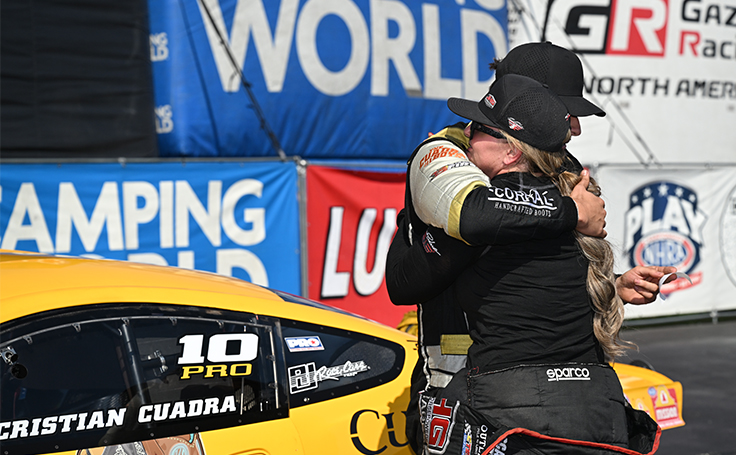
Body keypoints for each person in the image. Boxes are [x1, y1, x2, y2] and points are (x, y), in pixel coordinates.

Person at [385, 42, 674, 454]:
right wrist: (571, 212)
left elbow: (532, 265)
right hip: (465, 385)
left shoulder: (557, 165)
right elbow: (474, 221)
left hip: (540, 391)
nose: (573, 126)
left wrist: (609, 284)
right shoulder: (448, 151)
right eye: (565, 110)